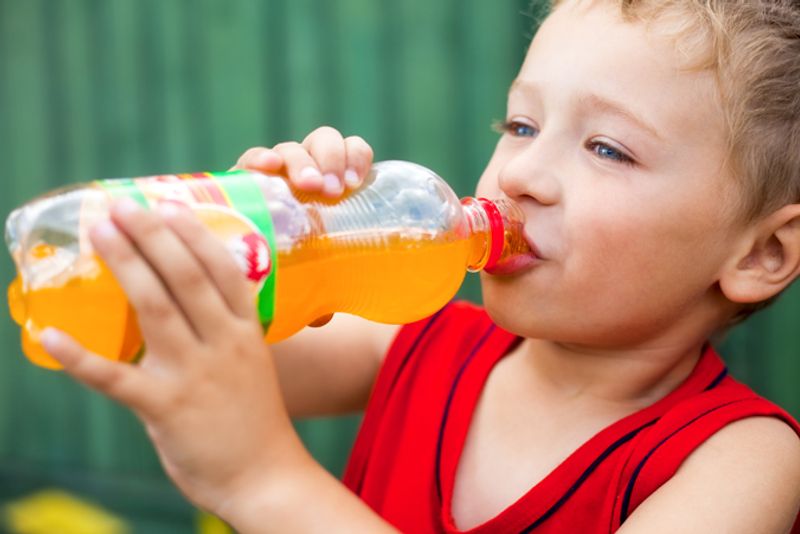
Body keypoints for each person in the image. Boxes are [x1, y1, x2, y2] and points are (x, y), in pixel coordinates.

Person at [39, 0, 800, 532]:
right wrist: (275, 239)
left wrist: (264, 485)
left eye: (608, 148)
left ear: (762, 253)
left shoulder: (746, 463)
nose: (522, 173)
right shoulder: (413, 337)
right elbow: (196, 360)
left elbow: (248, 460)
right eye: (522, 124)